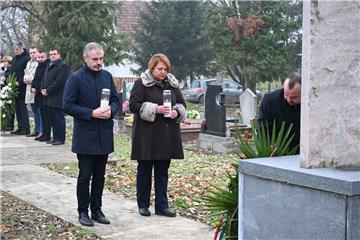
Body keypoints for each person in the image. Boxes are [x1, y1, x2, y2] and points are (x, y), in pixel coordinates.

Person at [63, 42, 120, 227]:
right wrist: (91, 113)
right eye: (95, 59)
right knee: (84, 176)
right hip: (86, 135)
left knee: (100, 176)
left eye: (101, 58)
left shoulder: (107, 76)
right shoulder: (75, 78)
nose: (99, 62)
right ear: (85, 58)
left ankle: (97, 210)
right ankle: (83, 211)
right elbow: (67, 105)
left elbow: (115, 100)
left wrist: (111, 110)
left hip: (103, 134)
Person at [129, 53, 186, 217]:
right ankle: (143, 205)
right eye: (160, 69)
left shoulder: (172, 83)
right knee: (144, 170)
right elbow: (133, 104)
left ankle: (162, 206)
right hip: (147, 135)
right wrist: (155, 109)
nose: (163, 72)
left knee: (162, 172)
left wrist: (177, 111)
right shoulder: (142, 83)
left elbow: (181, 103)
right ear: (152, 68)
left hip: (166, 135)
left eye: (165, 69)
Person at [258, 72, 301, 152]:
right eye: (286, 95)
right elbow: (263, 128)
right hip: (277, 151)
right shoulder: (270, 101)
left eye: (294, 97)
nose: (289, 100)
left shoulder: (312, 103)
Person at [42, 48, 69, 145]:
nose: (52, 56)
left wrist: (48, 90)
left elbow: (60, 82)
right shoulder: (49, 65)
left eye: (54, 54)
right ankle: (55, 137)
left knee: (58, 118)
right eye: (51, 54)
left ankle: (61, 138)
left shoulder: (62, 66)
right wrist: (43, 88)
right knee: (52, 119)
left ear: (59, 55)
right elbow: (44, 79)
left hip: (57, 97)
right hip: (48, 97)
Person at [11, 42, 30, 135]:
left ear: (21, 48)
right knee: (17, 108)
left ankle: (25, 128)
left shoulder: (26, 58)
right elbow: (13, 71)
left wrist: (20, 81)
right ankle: (20, 127)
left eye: (17, 49)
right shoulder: (14, 58)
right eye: (14, 49)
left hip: (22, 86)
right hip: (14, 86)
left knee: (22, 107)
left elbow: (26, 73)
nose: (15, 51)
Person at [31, 50, 51, 142]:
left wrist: (37, 87)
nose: (40, 59)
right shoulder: (38, 66)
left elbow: (43, 80)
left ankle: (46, 134)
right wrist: (33, 87)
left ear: (46, 57)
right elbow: (35, 78)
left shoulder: (47, 66)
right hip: (37, 94)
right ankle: (43, 133)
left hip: (43, 93)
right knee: (41, 114)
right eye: (39, 57)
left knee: (46, 115)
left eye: (42, 57)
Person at [23, 47, 42, 137]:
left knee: (39, 110)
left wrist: (32, 80)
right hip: (29, 88)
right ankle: (36, 129)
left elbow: (39, 76)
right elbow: (26, 73)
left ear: (38, 53)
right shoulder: (28, 63)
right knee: (34, 110)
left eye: (34, 52)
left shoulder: (40, 62)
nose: (32, 54)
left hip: (36, 88)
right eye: (30, 53)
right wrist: (25, 79)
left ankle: (41, 130)